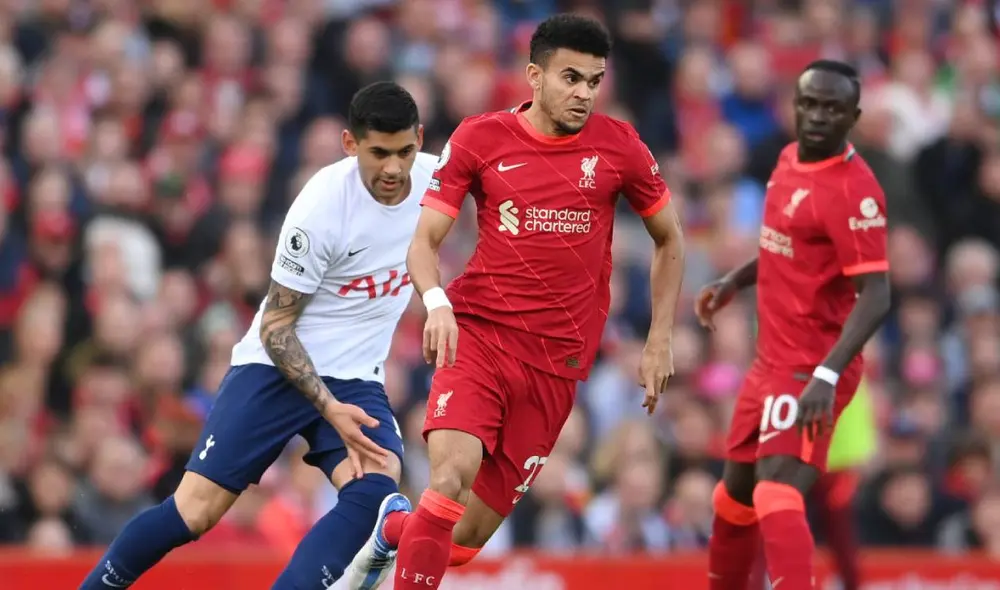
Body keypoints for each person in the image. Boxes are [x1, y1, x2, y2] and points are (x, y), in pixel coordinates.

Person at [345, 13, 685, 590]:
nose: (583, 93)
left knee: (459, 545)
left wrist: (659, 339)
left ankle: (392, 531)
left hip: (556, 366)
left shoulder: (619, 146)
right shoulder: (481, 138)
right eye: (570, 78)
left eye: (593, 81)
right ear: (535, 75)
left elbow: (670, 239)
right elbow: (423, 243)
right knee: (448, 482)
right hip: (478, 338)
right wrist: (438, 303)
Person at [78, 81, 434, 590]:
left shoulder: (439, 179)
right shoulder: (320, 211)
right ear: (350, 144)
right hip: (274, 369)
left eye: (405, 151)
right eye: (379, 153)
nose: (394, 169)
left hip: (357, 378)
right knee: (193, 513)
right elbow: (275, 327)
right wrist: (327, 407)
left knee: (376, 493)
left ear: (419, 139)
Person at [695, 60, 891, 590]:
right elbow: (785, 249)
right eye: (810, 104)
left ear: (854, 115)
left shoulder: (855, 192)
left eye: (833, 108)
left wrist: (826, 376)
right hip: (768, 361)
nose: (818, 116)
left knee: (776, 494)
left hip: (812, 366)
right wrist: (735, 280)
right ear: (795, 106)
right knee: (732, 502)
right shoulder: (786, 160)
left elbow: (878, 294)